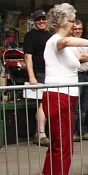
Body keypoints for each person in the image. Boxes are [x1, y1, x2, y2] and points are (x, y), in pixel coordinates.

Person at [39, 3, 88, 175]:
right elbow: (67, 41)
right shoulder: (56, 41)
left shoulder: (66, 47)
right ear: (61, 22)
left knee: (59, 144)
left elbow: (83, 56)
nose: (73, 24)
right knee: (64, 144)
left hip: (64, 97)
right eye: (70, 21)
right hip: (58, 96)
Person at [24, 9, 51, 146]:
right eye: (38, 19)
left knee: (45, 104)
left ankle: (38, 133)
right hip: (39, 73)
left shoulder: (51, 36)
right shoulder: (30, 36)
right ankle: (41, 134)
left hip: (51, 73)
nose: (41, 21)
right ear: (34, 21)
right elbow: (28, 57)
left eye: (43, 19)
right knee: (43, 103)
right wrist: (32, 76)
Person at [70, 20, 88, 142]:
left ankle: (82, 131)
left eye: (79, 29)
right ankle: (73, 132)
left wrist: (85, 56)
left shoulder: (84, 42)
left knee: (84, 106)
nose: (77, 31)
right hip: (76, 75)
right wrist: (86, 56)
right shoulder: (69, 43)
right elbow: (80, 58)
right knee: (75, 107)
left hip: (86, 75)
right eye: (75, 29)